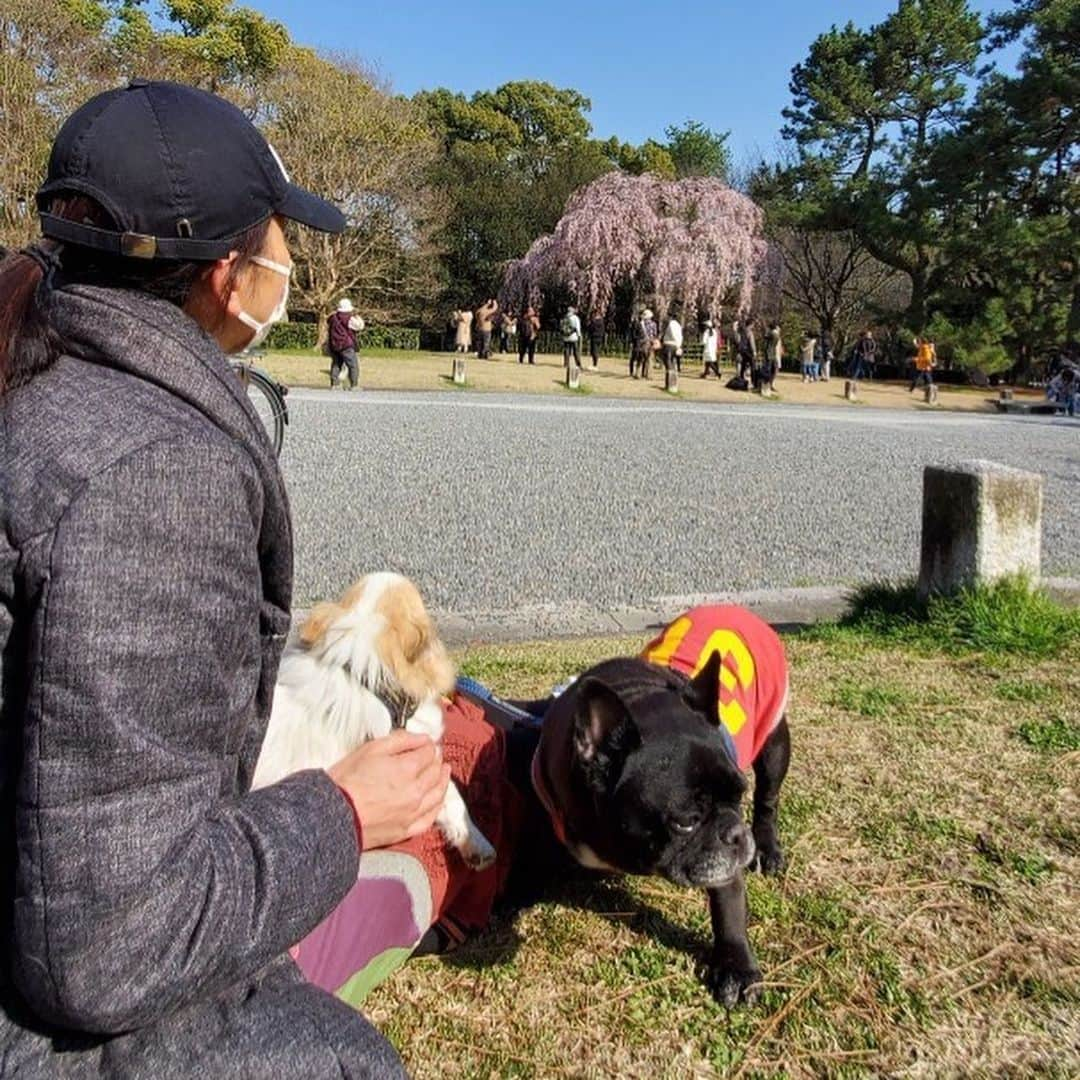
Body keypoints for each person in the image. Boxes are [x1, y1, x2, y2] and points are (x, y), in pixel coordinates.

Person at [0, 79, 450, 1077]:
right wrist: (342, 813)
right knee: (388, 929)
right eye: (281, 236)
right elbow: (106, 945)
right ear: (227, 275)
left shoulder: (39, 364)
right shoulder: (155, 471)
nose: (290, 261)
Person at [327, 297, 364, 390]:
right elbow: (360, 326)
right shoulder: (349, 318)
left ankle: (335, 384)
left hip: (334, 345)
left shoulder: (333, 318)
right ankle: (354, 385)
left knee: (336, 364)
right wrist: (357, 316)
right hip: (346, 345)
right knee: (353, 365)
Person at [762, 323, 783, 396]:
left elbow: (765, 337)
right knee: (772, 370)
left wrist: (766, 330)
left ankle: (767, 386)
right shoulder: (775, 334)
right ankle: (767, 386)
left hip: (771, 354)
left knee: (769, 370)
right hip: (772, 354)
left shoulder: (772, 334)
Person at [735, 316, 756, 382]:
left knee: (743, 365)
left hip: (742, 350)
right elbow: (751, 342)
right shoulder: (750, 332)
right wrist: (754, 351)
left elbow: (738, 340)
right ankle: (753, 381)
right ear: (751, 324)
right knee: (753, 365)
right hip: (748, 351)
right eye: (753, 324)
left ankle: (741, 378)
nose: (753, 326)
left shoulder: (742, 331)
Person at [662, 308, 683, 373]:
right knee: (672, 359)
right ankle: (672, 371)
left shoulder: (671, 324)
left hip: (669, 344)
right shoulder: (678, 325)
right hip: (675, 344)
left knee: (667, 359)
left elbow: (673, 334)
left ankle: (670, 372)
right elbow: (680, 336)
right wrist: (679, 344)